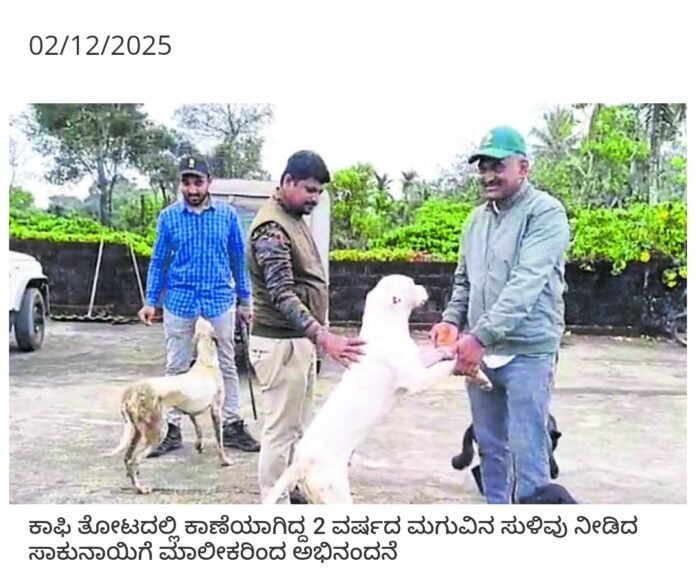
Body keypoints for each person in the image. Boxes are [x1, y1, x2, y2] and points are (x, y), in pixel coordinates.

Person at [430, 126, 570, 504]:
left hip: (528, 351)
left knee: (528, 449)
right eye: (483, 167)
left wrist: (478, 336)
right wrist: (451, 321)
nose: (488, 175)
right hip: (483, 353)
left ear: (523, 167)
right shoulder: (476, 220)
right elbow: (464, 281)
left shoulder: (545, 213)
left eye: (498, 166)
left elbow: (526, 284)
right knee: (490, 446)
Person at [246, 150, 366, 503]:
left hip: (297, 342)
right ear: (287, 182)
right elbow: (282, 295)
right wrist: (323, 337)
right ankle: (273, 501)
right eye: (309, 190)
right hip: (281, 344)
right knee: (280, 431)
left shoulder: (293, 217)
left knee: (299, 427)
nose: (314, 198)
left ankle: (294, 488)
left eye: (319, 192)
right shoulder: (272, 229)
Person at [138, 156, 260, 457]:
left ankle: (232, 424)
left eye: (198, 182)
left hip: (219, 300)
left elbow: (238, 260)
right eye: (186, 182)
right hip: (180, 301)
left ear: (209, 182)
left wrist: (245, 300)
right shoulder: (169, 217)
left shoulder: (227, 216)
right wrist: (151, 301)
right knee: (176, 365)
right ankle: (171, 429)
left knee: (226, 364)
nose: (192, 189)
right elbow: (159, 261)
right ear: (180, 183)